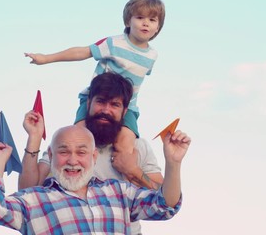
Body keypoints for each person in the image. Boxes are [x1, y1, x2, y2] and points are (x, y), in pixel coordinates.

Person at [24, 0, 166, 165]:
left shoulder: (152, 56)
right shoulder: (113, 43)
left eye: (152, 20)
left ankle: (124, 182)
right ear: (128, 21)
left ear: (158, 28)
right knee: (78, 138)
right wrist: (46, 58)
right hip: (96, 100)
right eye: (140, 17)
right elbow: (82, 52)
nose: (146, 23)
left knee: (126, 147)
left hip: (127, 107)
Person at [18, 73, 165, 234]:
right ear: (88, 104)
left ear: (124, 112)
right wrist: (34, 137)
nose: (106, 110)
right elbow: (27, 192)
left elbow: (164, 200)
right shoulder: (66, 145)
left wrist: (133, 170)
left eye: (114, 104)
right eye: (100, 101)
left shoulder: (139, 147)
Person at [0, 124, 191, 234]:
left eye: (81, 152)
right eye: (63, 151)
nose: (73, 160)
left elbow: (165, 206)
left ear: (93, 157)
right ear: (50, 156)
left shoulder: (119, 192)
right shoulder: (34, 200)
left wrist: (174, 163)